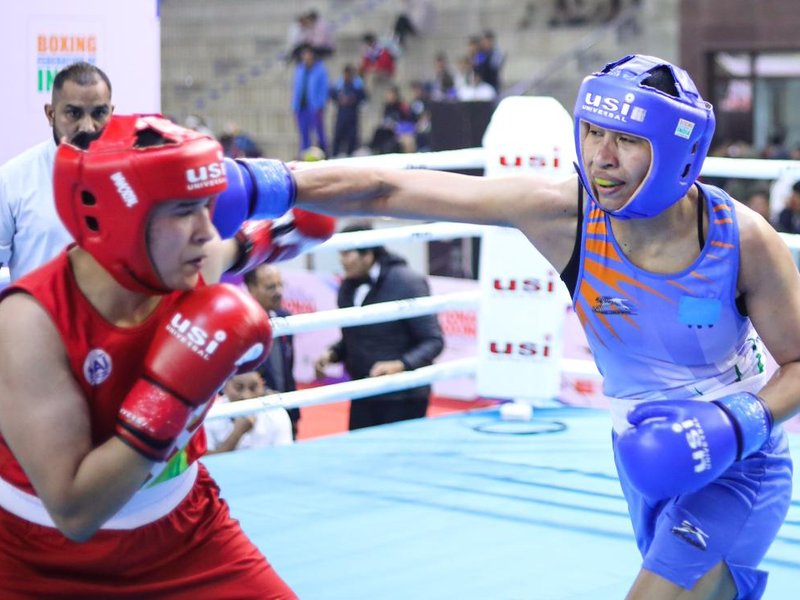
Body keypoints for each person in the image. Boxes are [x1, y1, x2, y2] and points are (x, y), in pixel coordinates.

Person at [284, 55, 798, 598]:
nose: (601, 157)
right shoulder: (564, 215)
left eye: (626, 139)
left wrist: (735, 423)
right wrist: (272, 183)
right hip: (642, 455)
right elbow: (388, 190)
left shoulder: (740, 239)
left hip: (740, 462)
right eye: (593, 132)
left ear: (676, 149)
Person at [0, 114, 335, 596]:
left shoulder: (184, 265)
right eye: (183, 211)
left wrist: (283, 235)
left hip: (185, 528)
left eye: (205, 207)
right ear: (125, 220)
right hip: (42, 555)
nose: (206, 229)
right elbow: (76, 512)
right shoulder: (28, 321)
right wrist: (173, 397)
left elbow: (239, 248)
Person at [314, 223, 444, 430]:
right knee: (359, 450)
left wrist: (400, 364)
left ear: (368, 255)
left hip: (403, 396)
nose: (341, 260)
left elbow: (433, 341)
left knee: (400, 451)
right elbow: (357, 335)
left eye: (347, 254)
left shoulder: (408, 282)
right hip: (362, 391)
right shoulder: (347, 286)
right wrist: (332, 353)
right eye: (340, 253)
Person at [0, 61, 113, 282]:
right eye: (74, 113)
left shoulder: (132, 179)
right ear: (50, 114)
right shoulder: (12, 180)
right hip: (36, 305)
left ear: (112, 113)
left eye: (99, 113)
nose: (88, 126)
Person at [244, 264, 301, 439]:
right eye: (270, 287)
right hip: (254, 418)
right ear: (251, 288)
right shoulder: (241, 324)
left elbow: (287, 370)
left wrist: (293, 413)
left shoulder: (285, 318)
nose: (278, 292)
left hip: (285, 410)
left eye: (280, 285)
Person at [206, 371, 293, 453]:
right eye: (238, 387)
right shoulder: (211, 413)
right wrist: (236, 434)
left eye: (253, 388)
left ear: (262, 385)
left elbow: (284, 457)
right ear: (224, 385)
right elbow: (205, 459)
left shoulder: (276, 413)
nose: (246, 396)